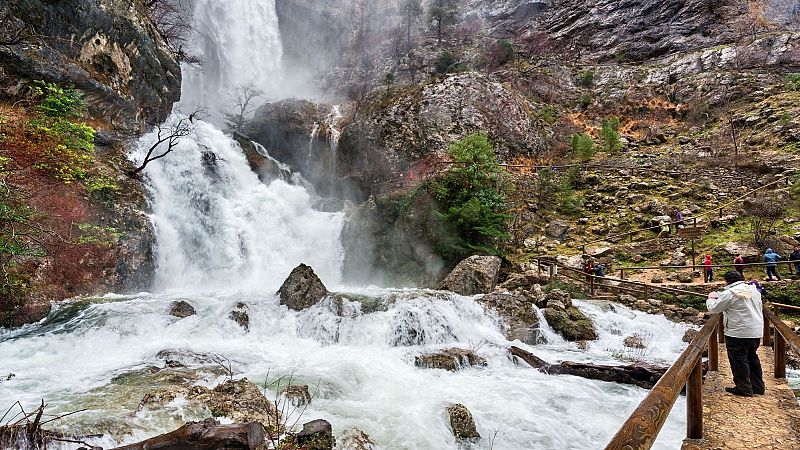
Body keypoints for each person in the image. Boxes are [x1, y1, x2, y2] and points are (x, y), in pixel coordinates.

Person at [707, 270, 764, 397]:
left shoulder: (729, 293)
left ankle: (744, 388)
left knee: (738, 360)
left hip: (738, 332)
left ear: (727, 281)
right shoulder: (753, 290)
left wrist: (710, 299)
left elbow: (714, 309)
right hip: (755, 331)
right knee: (752, 358)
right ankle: (758, 387)